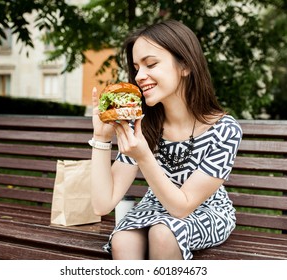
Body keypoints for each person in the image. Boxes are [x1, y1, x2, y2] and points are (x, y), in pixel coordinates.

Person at [90, 19, 242, 260]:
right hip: (154, 206)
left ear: (185, 66)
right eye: (137, 68)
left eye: (151, 64)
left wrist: (143, 156)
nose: (140, 76)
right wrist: (101, 138)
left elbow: (182, 207)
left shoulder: (224, 130)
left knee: (164, 232)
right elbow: (102, 204)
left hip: (206, 209)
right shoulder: (142, 124)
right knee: (123, 239)